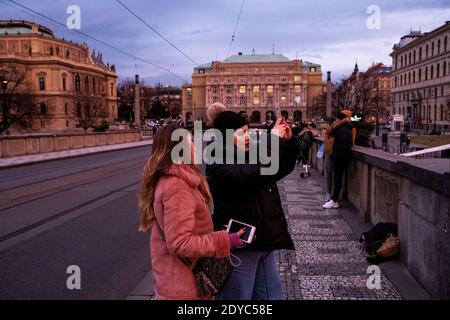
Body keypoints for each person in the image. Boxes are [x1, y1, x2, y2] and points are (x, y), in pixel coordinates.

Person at [139, 125, 244, 300]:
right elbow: (180, 243)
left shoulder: (177, 180)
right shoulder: (177, 186)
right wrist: (225, 240)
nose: (196, 147)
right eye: (191, 142)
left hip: (179, 281)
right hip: (183, 288)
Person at [206, 111, 298, 300]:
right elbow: (248, 177)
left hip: (263, 240)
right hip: (241, 243)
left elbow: (277, 169)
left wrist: (288, 143)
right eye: (241, 132)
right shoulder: (218, 156)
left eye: (247, 131)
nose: (247, 136)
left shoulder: (247, 154)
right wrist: (273, 140)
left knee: (271, 297)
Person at [323, 111, 354, 209]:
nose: (335, 121)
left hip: (339, 156)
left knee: (337, 178)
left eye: (336, 119)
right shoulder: (340, 128)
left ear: (340, 119)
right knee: (335, 177)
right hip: (337, 155)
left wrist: (336, 155)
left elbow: (344, 145)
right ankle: (333, 198)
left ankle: (334, 200)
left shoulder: (344, 129)